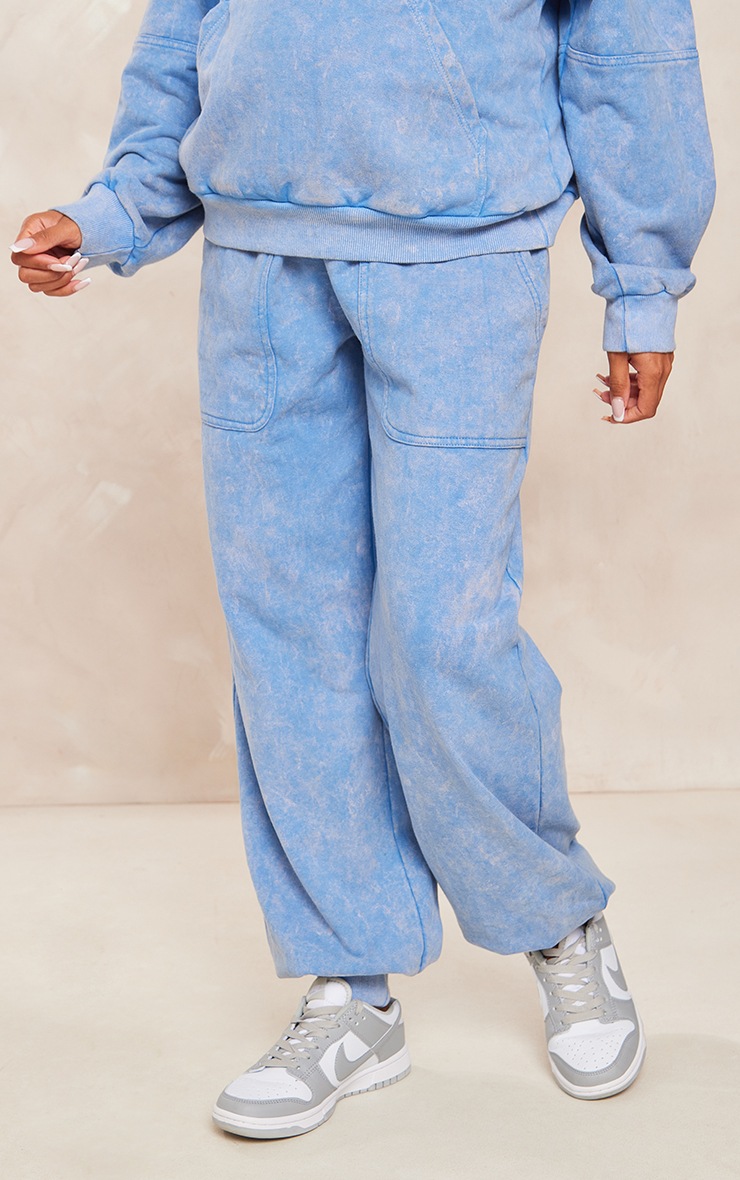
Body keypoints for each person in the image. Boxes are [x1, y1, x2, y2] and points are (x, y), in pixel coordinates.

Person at [10, 0, 714, 1140]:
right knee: (290, 632)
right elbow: (185, 27)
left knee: (442, 631)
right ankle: (351, 980)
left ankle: (555, 920)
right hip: (258, 257)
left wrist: (641, 282)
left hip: (463, 253)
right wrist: (114, 212)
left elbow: (625, 38)